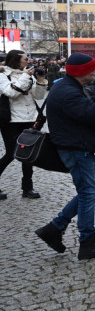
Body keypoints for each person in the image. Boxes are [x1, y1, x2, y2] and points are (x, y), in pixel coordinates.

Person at [34, 53, 95, 260]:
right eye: (92, 70)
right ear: (83, 72)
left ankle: (55, 227)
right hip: (75, 148)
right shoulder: (68, 93)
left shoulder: (68, 86)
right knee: (88, 193)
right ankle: (87, 241)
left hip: (78, 145)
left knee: (92, 189)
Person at [0, 50, 47, 199]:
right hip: (11, 121)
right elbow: (11, 92)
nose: (29, 62)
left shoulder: (28, 74)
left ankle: (28, 187)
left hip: (29, 118)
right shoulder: (3, 75)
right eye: (26, 59)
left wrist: (40, 80)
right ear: (16, 61)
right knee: (11, 153)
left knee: (28, 154)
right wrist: (26, 76)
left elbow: (39, 96)